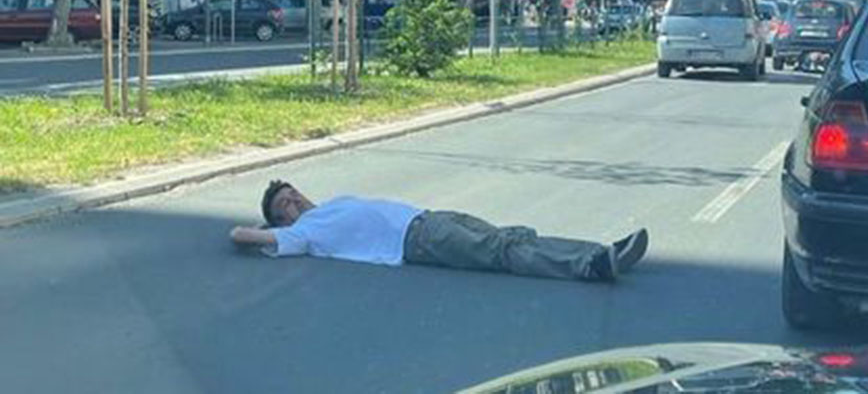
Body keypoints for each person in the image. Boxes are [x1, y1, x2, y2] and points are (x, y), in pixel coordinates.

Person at [229, 180, 650, 283]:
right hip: (417, 242)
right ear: (281, 220)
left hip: (428, 218)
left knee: (511, 240)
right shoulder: (302, 234)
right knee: (501, 251)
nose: (295, 200)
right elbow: (238, 235)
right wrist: (266, 227)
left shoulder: (329, 205)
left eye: (292, 192)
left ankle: (600, 252)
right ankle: (590, 265)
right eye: (285, 204)